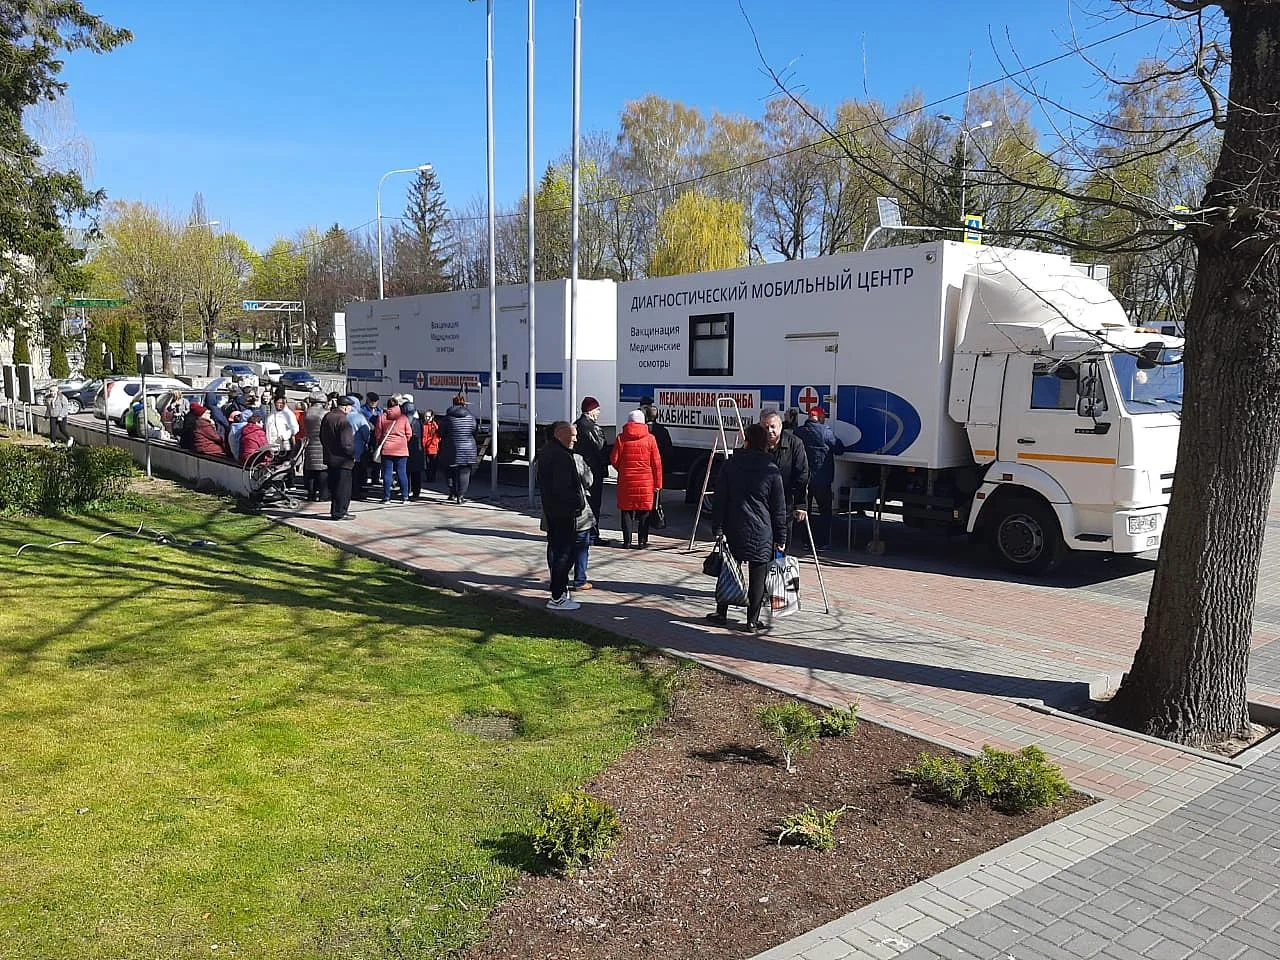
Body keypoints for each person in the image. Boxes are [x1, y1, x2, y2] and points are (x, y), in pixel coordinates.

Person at [709, 422, 787, 633]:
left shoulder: (731, 465)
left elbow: (720, 499)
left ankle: (721, 613)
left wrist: (717, 527)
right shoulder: (771, 469)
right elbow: (778, 508)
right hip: (762, 531)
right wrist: (781, 536)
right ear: (764, 444)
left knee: (728, 571)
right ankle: (752, 620)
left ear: (746, 442)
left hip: (734, 527)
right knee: (758, 576)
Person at [537, 420, 583, 611]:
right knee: (564, 553)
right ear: (560, 435)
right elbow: (562, 488)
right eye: (572, 436)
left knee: (559, 551)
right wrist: (577, 502)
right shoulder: (560, 456)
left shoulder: (549, 452)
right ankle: (558, 595)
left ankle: (560, 592)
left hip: (554, 511)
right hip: (562, 512)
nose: (575, 439)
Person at [793, 406, 845, 550]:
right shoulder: (825, 431)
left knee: (805, 510)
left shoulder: (799, 432)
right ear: (820, 417)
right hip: (822, 479)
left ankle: (805, 541)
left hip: (803, 479)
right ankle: (823, 542)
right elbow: (839, 449)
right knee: (825, 511)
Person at [610, 409, 663, 549]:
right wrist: (658, 483)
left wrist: (623, 470)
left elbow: (614, 459)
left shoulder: (621, 438)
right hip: (646, 481)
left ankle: (627, 542)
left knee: (626, 511)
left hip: (626, 480)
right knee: (644, 511)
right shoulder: (650, 439)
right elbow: (656, 463)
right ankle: (642, 541)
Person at [760, 408, 810, 546]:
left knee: (781, 544)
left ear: (780, 427)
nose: (769, 430)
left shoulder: (795, 443)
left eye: (772, 426)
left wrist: (801, 504)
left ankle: (778, 565)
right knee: (761, 547)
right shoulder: (756, 443)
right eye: (765, 427)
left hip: (784, 502)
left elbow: (803, 474)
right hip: (760, 503)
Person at [574, 396, 611, 545]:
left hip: (578, 470)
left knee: (583, 502)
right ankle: (593, 535)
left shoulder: (575, 425)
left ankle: (582, 533)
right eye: (597, 410)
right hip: (593, 471)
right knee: (594, 504)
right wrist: (606, 464)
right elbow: (602, 451)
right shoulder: (594, 429)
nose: (599, 413)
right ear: (590, 411)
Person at [320, 396, 357, 521]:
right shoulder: (343, 421)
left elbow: (321, 436)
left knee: (334, 486)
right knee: (343, 488)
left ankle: (335, 510)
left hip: (330, 457)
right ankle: (340, 512)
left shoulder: (328, 417)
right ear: (346, 407)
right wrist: (352, 454)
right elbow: (347, 443)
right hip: (343, 460)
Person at [440, 393, 479, 503]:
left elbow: (441, 432)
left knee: (449, 470)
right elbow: (475, 431)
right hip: (468, 448)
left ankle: (452, 492)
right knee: (464, 472)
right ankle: (461, 496)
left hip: (450, 448)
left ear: (453, 403)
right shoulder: (471, 417)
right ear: (464, 403)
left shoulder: (447, 417)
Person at [375, 397, 412, 504]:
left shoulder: (382, 417)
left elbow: (378, 434)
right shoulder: (403, 418)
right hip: (401, 449)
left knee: (387, 473)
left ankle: (387, 497)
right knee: (402, 473)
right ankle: (405, 497)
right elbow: (409, 434)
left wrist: (380, 442)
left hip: (387, 449)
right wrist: (403, 441)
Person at [302, 393, 329, 502]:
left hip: (310, 443)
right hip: (321, 443)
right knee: (322, 470)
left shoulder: (308, 412)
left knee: (311, 470)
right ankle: (323, 494)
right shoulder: (324, 413)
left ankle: (311, 493)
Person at [346, 400, 372, 500]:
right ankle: (356, 491)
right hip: (358, 449)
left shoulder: (344, 416)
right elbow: (366, 433)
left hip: (344, 449)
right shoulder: (359, 417)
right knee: (356, 472)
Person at [403, 398, 426, 499]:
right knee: (416, 472)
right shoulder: (418, 422)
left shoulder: (402, 421)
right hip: (418, 449)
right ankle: (416, 491)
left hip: (405, 448)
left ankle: (406, 490)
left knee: (406, 472)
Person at [421, 408, 440, 483]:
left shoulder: (434, 425)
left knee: (433, 464)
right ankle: (429, 477)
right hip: (425, 447)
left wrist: (435, 442)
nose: (427, 418)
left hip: (433, 447)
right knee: (427, 464)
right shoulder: (423, 425)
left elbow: (438, 436)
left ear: (432, 417)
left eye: (428, 416)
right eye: (425, 416)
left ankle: (432, 477)